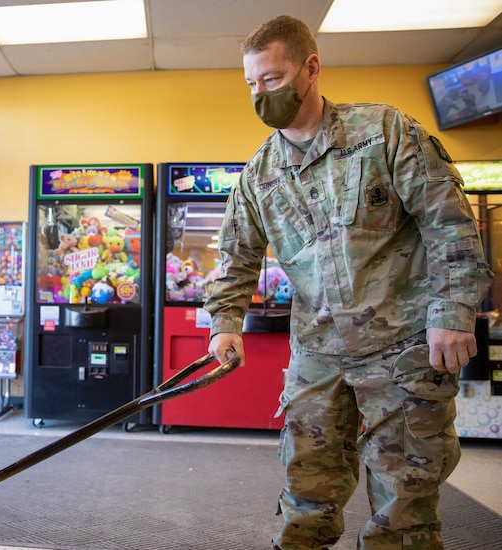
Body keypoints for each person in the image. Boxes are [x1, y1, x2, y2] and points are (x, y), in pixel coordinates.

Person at [204, 15, 492, 550]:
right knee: (305, 494)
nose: (260, 93)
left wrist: (452, 313)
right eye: (251, 83)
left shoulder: (383, 132)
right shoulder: (258, 175)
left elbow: (447, 221)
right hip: (318, 356)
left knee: (405, 505)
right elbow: (236, 256)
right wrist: (225, 325)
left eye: (272, 78)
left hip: (404, 348)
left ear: (311, 68)